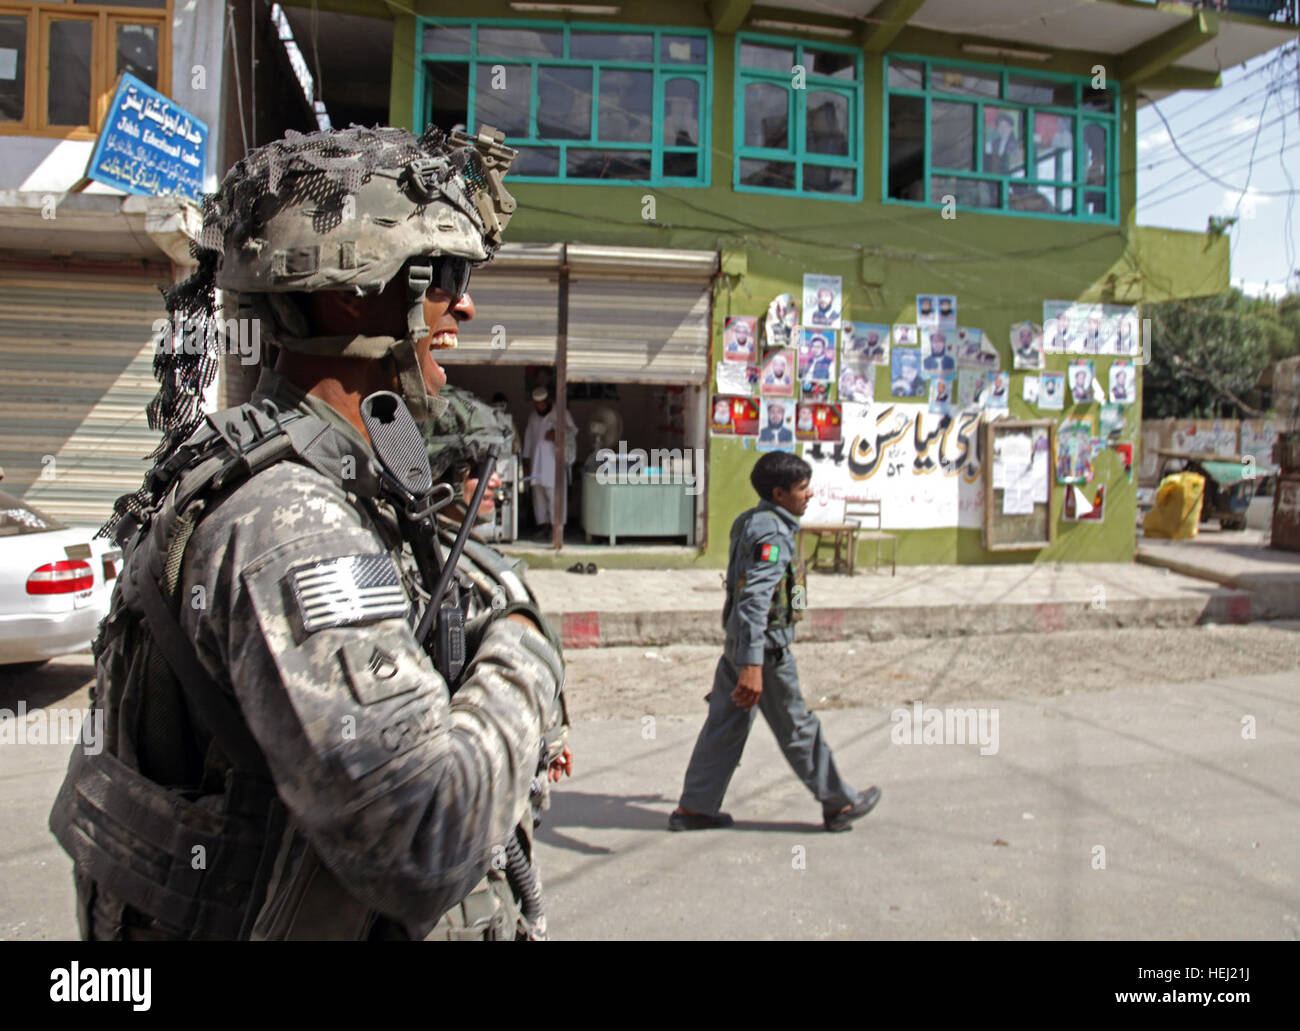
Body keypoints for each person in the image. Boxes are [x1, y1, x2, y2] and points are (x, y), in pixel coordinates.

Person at [48, 124, 571, 941]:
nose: (465, 304)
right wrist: (524, 648)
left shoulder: (278, 465)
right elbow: (420, 836)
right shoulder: (291, 523)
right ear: (354, 292)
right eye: (450, 274)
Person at [669, 452, 880, 832]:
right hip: (763, 652)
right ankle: (839, 803)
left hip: (741, 646)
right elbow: (754, 599)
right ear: (780, 494)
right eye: (802, 489)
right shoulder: (770, 532)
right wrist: (752, 666)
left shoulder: (755, 521)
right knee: (798, 727)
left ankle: (696, 808)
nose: (809, 495)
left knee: (724, 726)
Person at [523, 385, 577, 542]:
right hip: (536, 464)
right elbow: (528, 440)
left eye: (541, 403)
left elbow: (573, 432)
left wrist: (558, 433)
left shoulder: (562, 414)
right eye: (536, 404)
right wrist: (526, 461)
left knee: (555, 496)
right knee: (538, 496)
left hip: (554, 465)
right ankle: (543, 527)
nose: (539, 406)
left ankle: (556, 529)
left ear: (548, 401)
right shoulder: (533, 417)